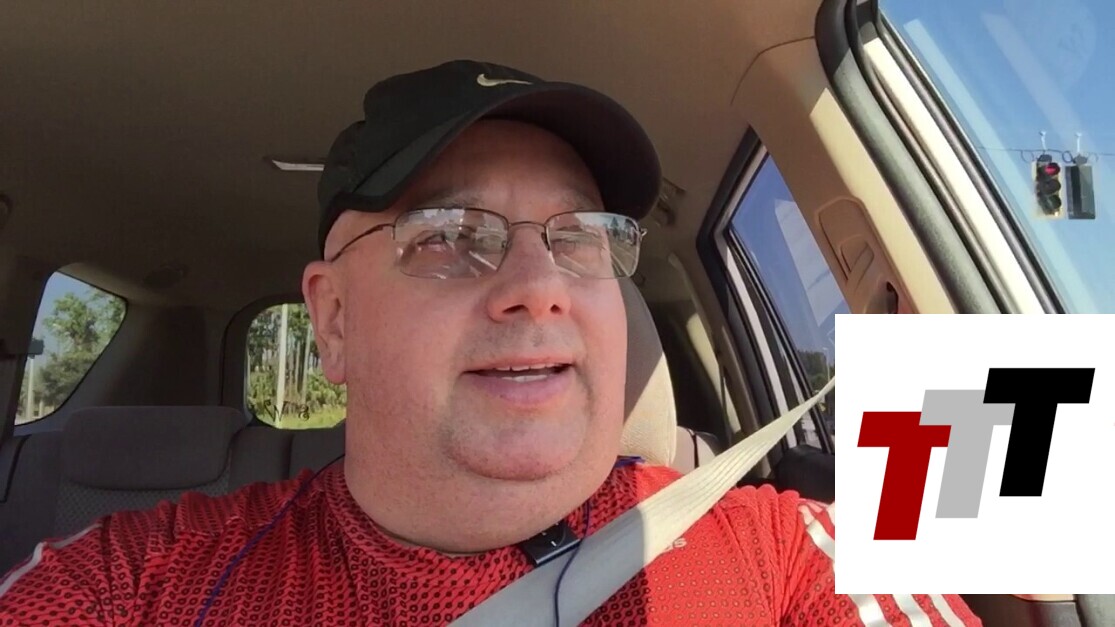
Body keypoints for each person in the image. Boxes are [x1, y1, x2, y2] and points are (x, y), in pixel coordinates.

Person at [0, 60, 981, 626]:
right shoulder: (135, 586)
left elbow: (1008, 526)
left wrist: (950, 364)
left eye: (581, 236)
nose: (538, 286)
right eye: (447, 236)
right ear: (333, 322)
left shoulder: (778, 552)